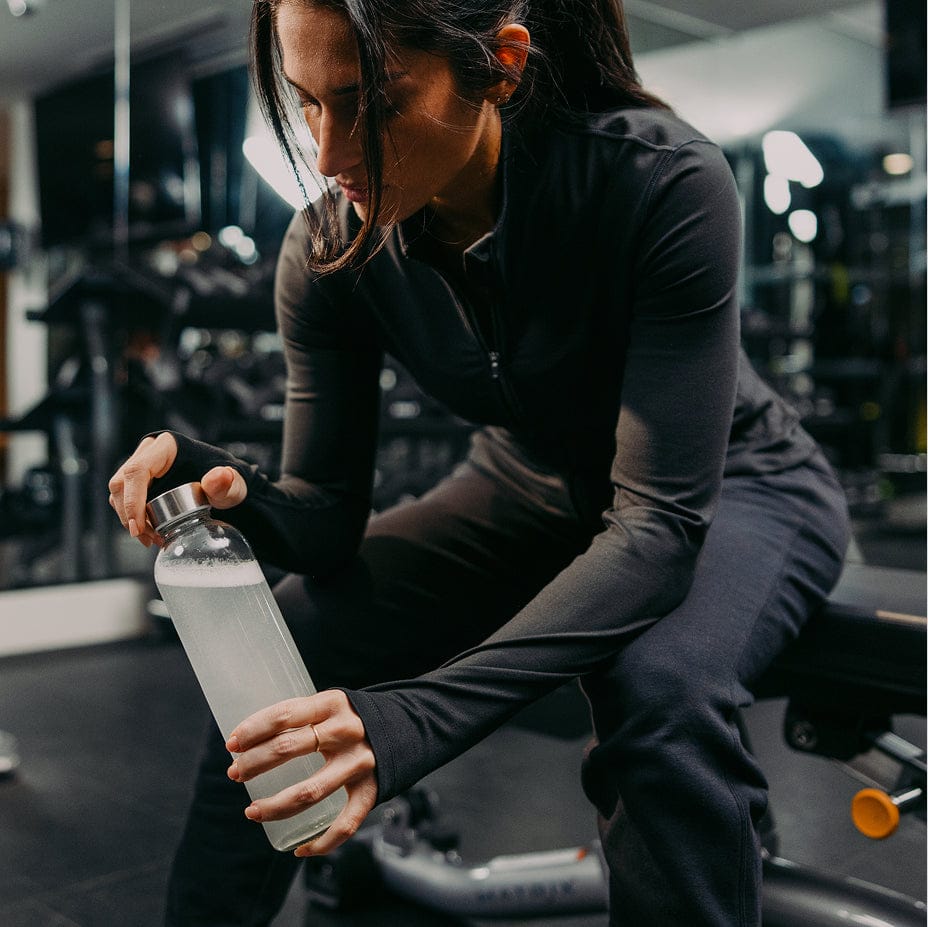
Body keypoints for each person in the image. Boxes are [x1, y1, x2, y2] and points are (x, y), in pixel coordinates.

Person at [108, 1, 851, 924]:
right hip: (527, 482)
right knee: (285, 649)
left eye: (370, 105)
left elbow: (658, 530)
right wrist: (234, 487)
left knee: (660, 692)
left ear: (498, 69)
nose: (331, 153)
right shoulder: (332, 247)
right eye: (305, 105)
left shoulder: (660, 180)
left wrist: (409, 721)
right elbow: (327, 519)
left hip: (737, 485)